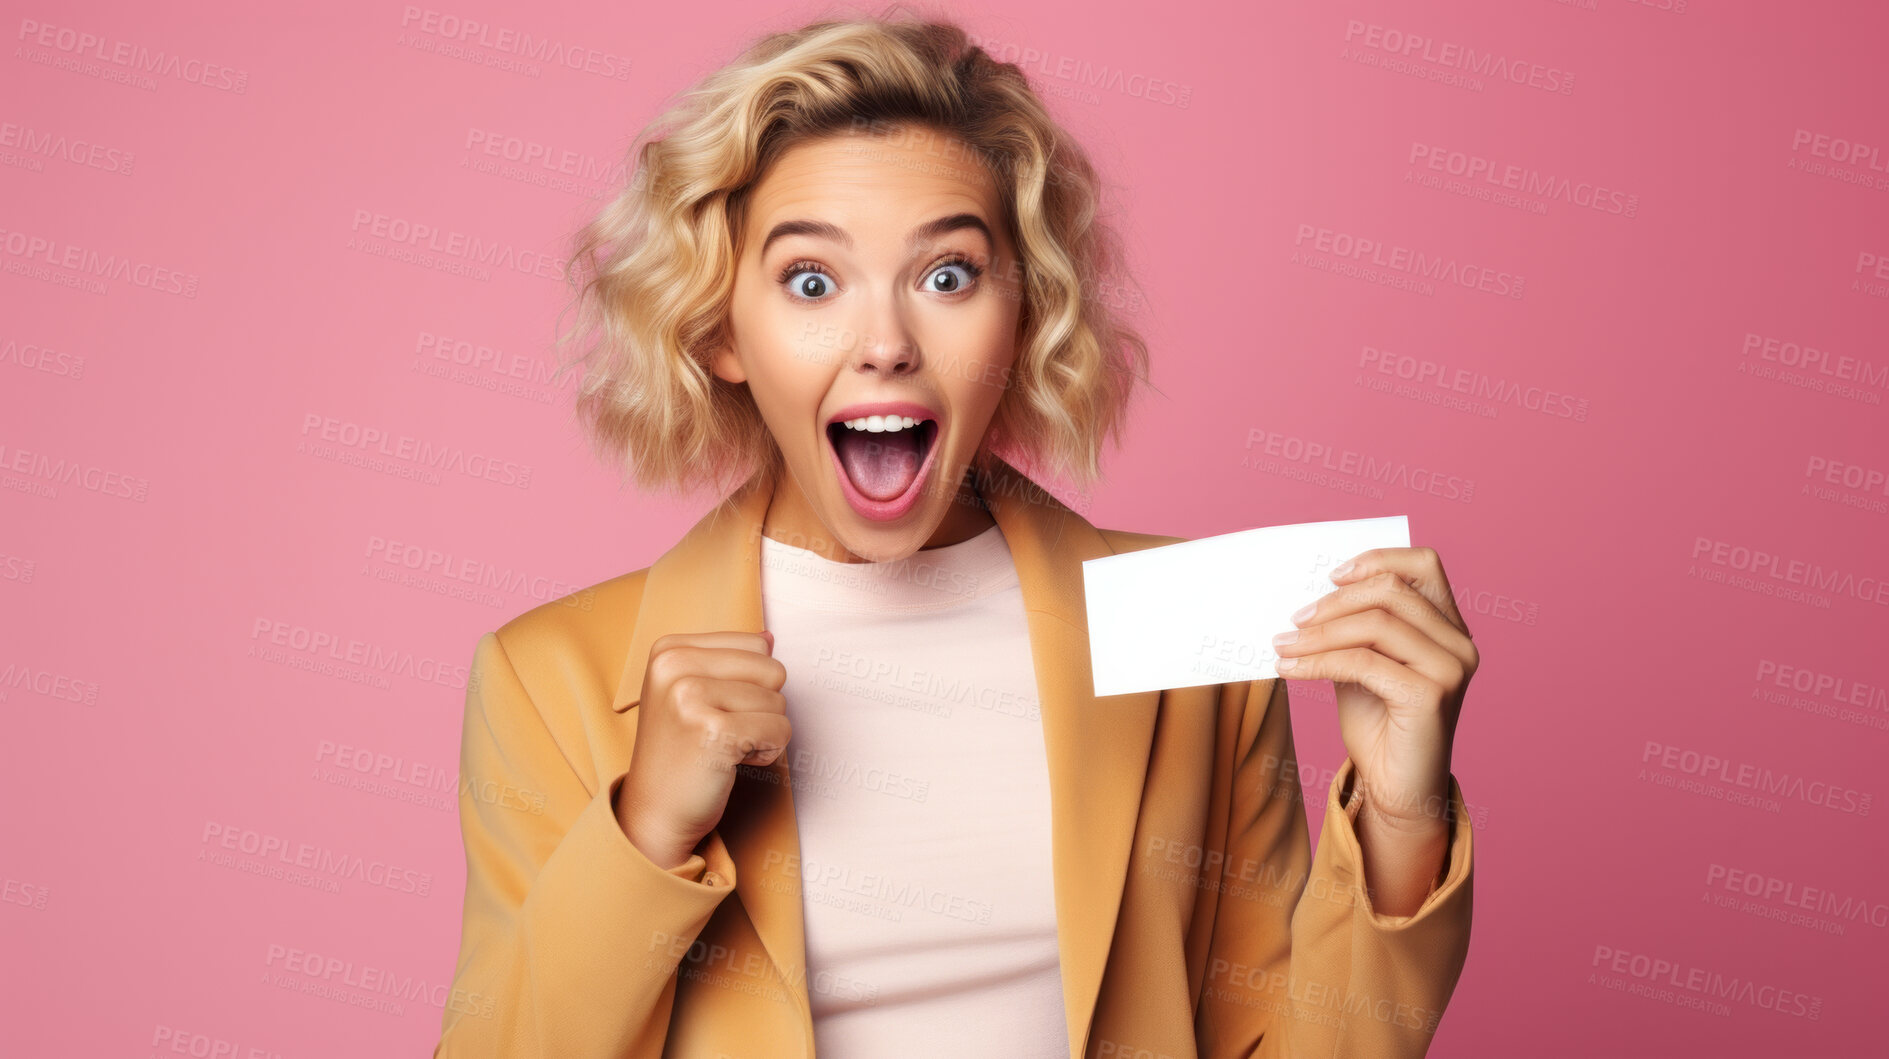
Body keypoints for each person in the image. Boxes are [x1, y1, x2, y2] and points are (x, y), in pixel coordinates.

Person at [435, 11, 1477, 1058]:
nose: (885, 344)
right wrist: (645, 834)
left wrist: (1399, 818)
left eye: (947, 277)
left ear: (1023, 313)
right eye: (810, 282)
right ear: (719, 330)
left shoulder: (1186, 643)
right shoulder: (549, 677)